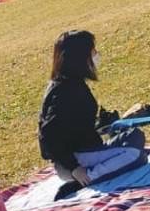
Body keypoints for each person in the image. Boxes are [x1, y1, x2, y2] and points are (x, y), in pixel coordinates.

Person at [38, 29, 144, 189]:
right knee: (136, 155)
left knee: (134, 136)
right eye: (92, 52)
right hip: (75, 161)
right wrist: (74, 167)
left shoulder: (72, 82)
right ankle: (90, 177)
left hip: (87, 150)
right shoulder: (64, 91)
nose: (96, 55)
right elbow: (48, 136)